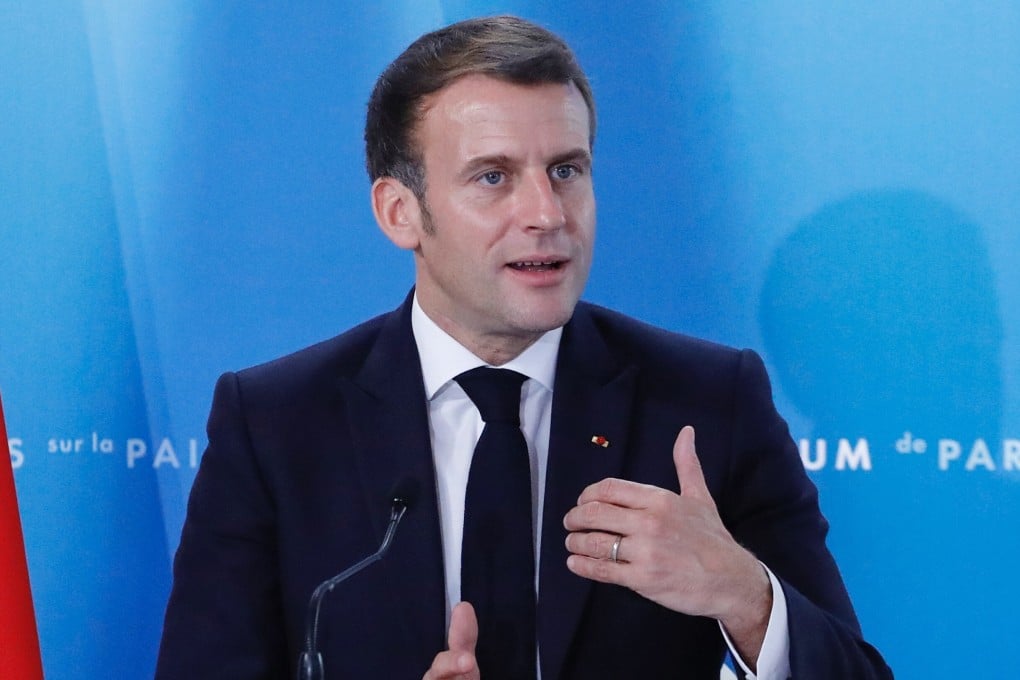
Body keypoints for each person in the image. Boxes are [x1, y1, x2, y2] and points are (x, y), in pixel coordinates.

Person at [156, 15, 892, 680]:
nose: (546, 214)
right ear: (400, 212)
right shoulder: (278, 424)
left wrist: (744, 595)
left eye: (567, 170)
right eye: (493, 177)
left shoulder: (705, 403)